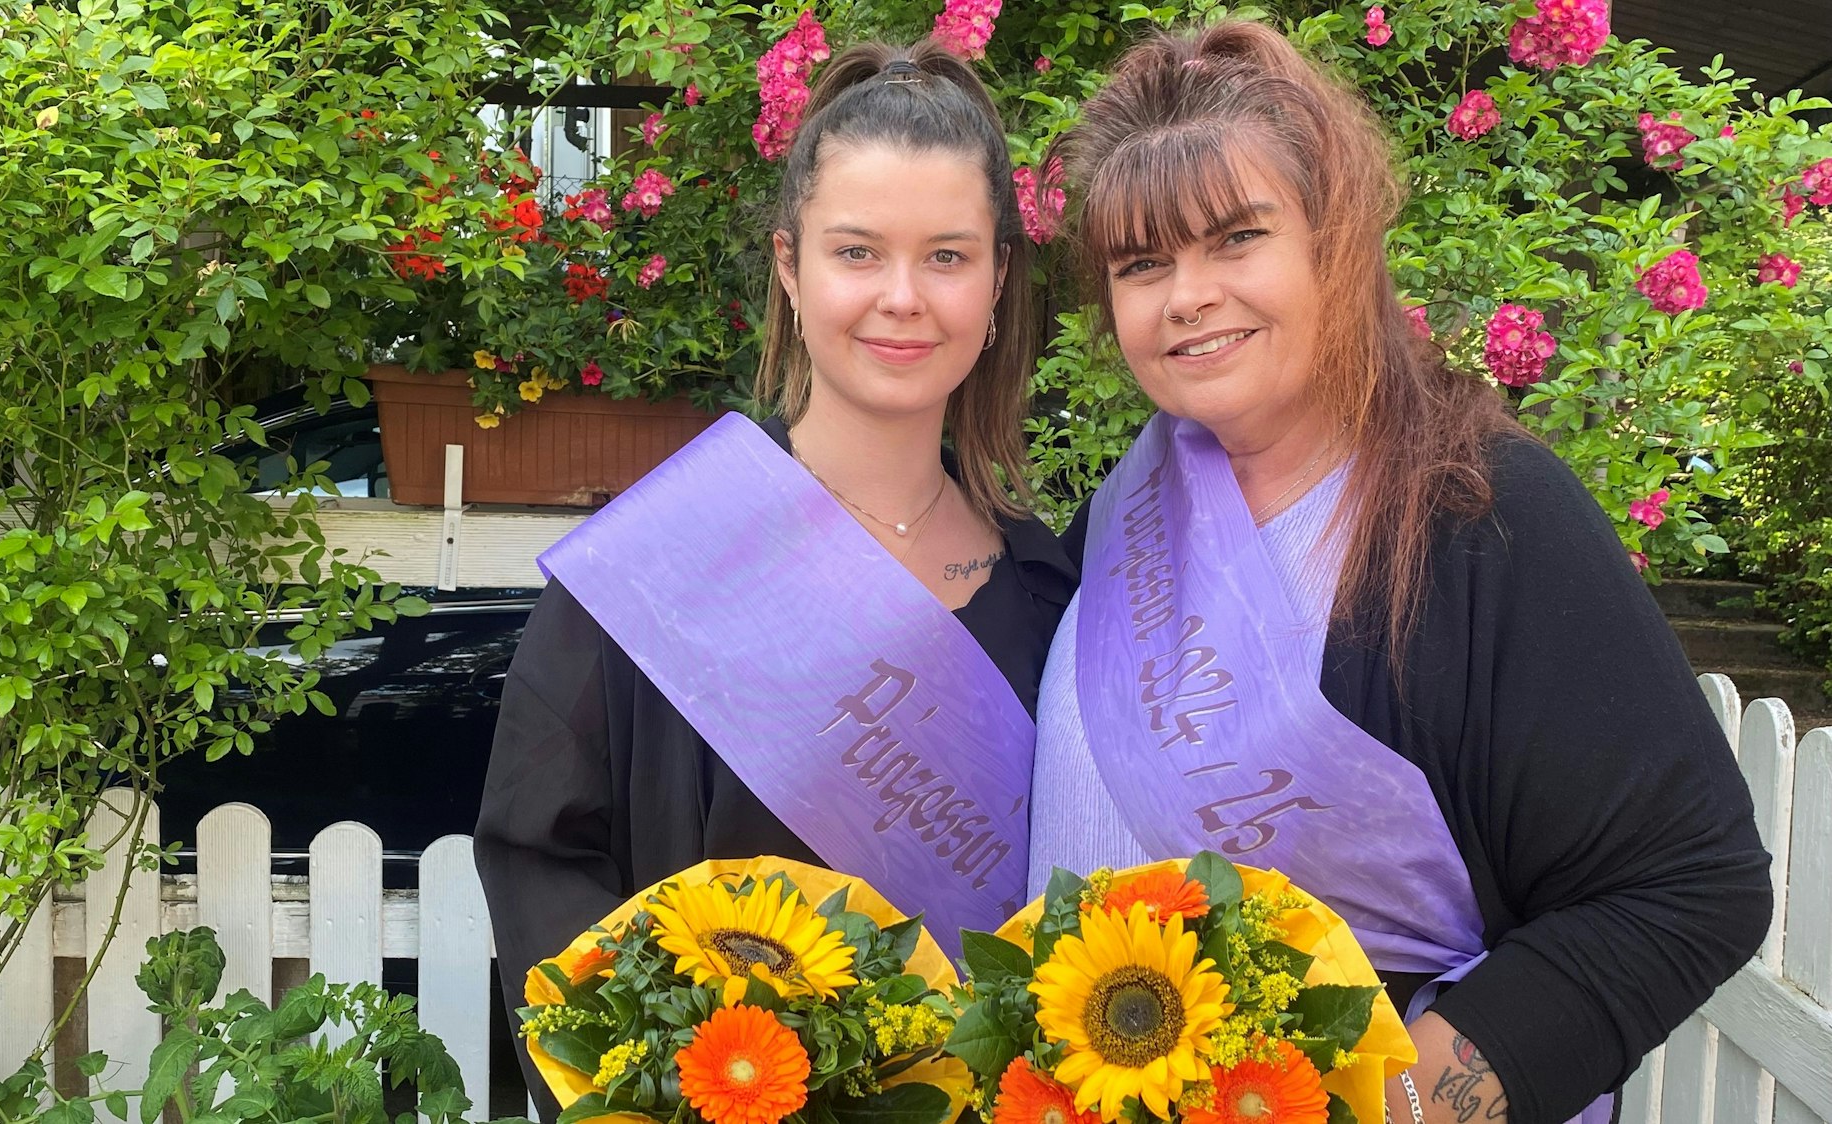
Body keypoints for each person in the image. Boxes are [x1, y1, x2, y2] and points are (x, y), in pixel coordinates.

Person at [1025, 21, 1771, 1124]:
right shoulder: (1125, 509)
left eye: (1235, 237)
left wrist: (1397, 1105)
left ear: (1336, 240)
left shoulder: (1485, 512)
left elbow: (1691, 885)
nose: (1185, 295)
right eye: (1143, 264)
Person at [475, 40, 1077, 1119]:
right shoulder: (662, 562)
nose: (903, 297)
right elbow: (542, 863)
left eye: (947, 256)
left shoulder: (1048, 593)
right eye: (858, 252)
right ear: (792, 268)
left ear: (996, 283)